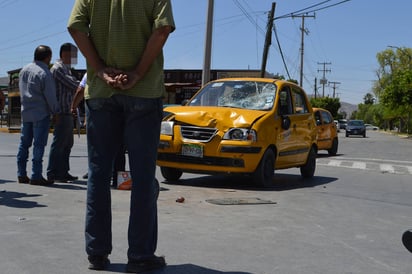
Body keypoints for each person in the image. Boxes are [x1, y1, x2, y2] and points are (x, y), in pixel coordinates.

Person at [68, 1, 175, 272]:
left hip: (101, 95)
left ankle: (97, 253)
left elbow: (76, 27)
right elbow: (162, 30)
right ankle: (139, 256)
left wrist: (101, 69)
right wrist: (138, 72)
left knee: (99, 174)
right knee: (142, 177)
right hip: (144, 93)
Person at [17, 45, 60, 186]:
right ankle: (36, 175)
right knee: (39, 145)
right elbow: (50, 96)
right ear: (48, 57)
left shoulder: (23, 70)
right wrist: (55, 112)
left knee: (24, 145)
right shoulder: (44, 73)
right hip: (41, 114)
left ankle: (21, 174)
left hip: (26, 113)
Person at [47, 43, 80, 183]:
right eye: (73, 55)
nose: (75, 59)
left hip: (68, 111)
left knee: (67, 144)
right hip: (61, 112)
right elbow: (75, 85)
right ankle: (54, 172)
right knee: (59, 143)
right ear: (64, 54)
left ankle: (63, 171)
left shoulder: (66, 69)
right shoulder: (58, 69)